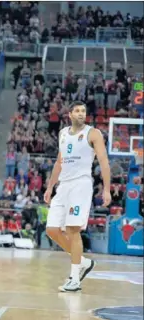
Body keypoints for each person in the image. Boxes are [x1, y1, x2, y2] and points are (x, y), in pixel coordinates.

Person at [45, 101, 111, 292]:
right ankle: (82, 261)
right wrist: (50, 187)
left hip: (81, 185)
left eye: (84, 111)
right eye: (77, 111)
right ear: (70, 114)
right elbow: (59, 162)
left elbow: (104, 161)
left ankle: (74, 278)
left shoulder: (93, 133)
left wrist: (106, 189)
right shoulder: (63, 133)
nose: (81, 114)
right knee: (52, 229)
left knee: (73, 230)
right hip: (63, 186)